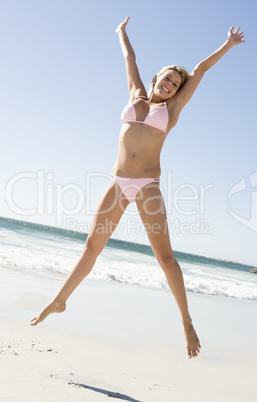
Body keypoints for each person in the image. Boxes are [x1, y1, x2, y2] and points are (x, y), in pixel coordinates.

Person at [31, 17, 245, 359]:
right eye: (168, 79)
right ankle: (59, 301)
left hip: (147, 185)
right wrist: (122, 33)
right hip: (118, 183)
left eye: (176, 84)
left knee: (166, 257)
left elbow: (201, 69)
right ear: (156, 78)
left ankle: (187, 323)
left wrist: (228, 45)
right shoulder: (136, 95)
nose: (171, 85)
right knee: (91, 246)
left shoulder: (171, 110)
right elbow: (130, 59)